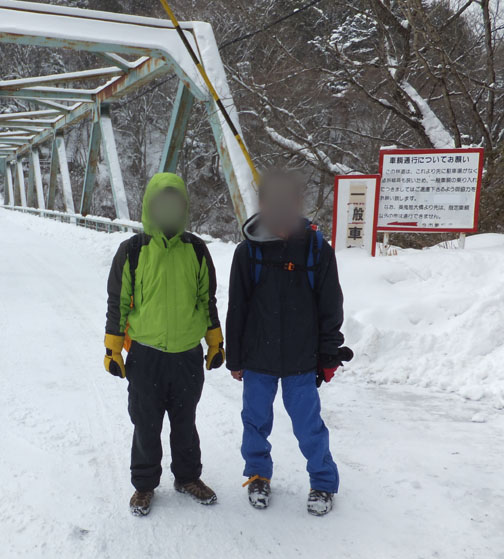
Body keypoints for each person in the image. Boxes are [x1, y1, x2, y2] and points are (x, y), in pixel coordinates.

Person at [225, 170, 352, 516]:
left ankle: (323, 482)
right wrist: (235, 358)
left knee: (309, 427)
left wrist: (328, 355)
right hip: (257, 358)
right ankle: (257, 475)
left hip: (301, 359)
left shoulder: (317, 251)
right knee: (254, 422)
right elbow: (237, 308)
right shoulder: (248, 252)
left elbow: (330, 308)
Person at [104, 172, 225, 517]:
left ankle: (188, 477)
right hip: (146, 355)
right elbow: (118, 302)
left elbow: (207, 300)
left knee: (185, 421)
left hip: (187, 355)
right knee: (146, 423)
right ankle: (144, 485)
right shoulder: (132, 251)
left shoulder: (196, 249)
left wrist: (214, 342)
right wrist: (113, 349)